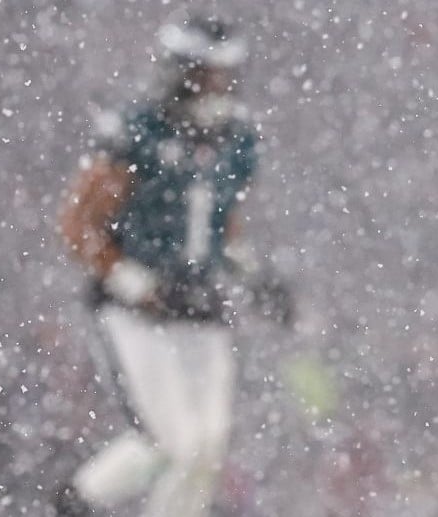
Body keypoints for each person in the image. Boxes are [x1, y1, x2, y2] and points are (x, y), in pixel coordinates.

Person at [55, 14, 286, 517]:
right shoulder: (138, 133)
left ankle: (81, 499)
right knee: (175, 444)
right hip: (140, 309)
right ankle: (80, 499)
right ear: (179, 71)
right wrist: (131, 278)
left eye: (223, 75)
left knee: (206, 447)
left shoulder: (236, 140)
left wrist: (253, 276)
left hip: (199, 303)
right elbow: (79, 223)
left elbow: (222, 223)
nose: (215, 87)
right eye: (204, 74)